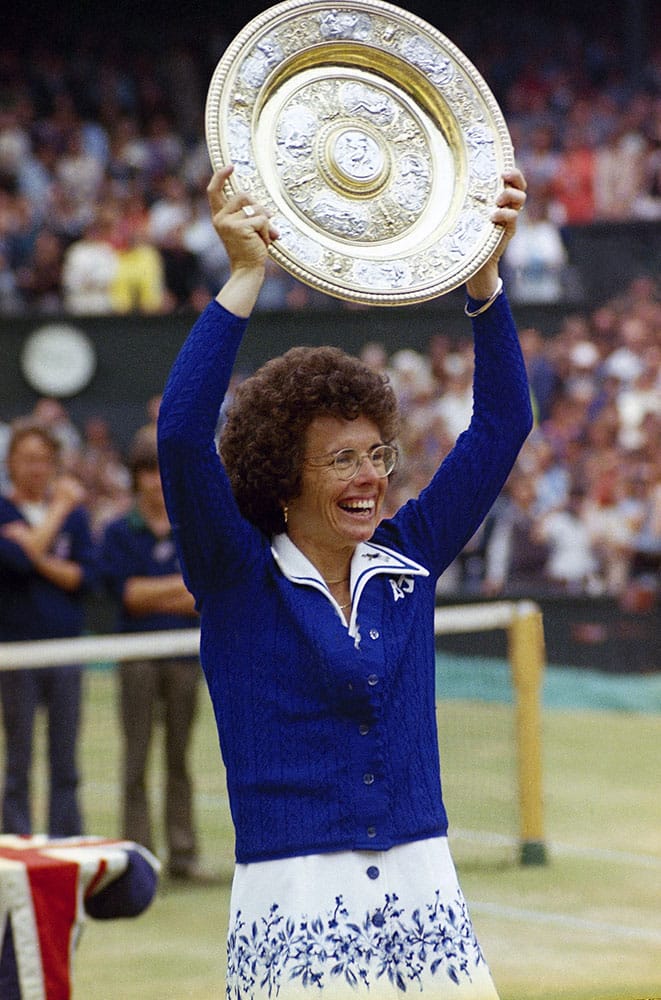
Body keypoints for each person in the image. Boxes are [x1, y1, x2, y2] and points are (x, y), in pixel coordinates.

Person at [157, 163, 530, 998]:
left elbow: (504, 423)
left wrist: (484, 286)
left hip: (424, 892)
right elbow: (182, 435)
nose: (369, 477)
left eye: (376, 454)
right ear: (282, 477)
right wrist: (245, 276)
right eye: (339, 460)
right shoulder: (235, 576)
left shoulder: (407, 559)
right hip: (295, 903)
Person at [99, 425, 208, 881]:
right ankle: (138, 859)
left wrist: (155, 592)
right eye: (147, 472)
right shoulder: (120, 531)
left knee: (180, 758)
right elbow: (126, 595)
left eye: (162, 472)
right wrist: (175, 590)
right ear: (135, 477)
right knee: (136, 757)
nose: (155, 482)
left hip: (185, 656)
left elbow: (203, 591)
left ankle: (183, 856)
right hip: (137, 658)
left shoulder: (194, 524)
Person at [0, 421, 96, 835]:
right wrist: (56, 512)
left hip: (66, 650)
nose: (35, 469)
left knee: (65, 759)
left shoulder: (75, 518)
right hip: (18, 651)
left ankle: (66, 839)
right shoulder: (5, 509)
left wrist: (34, 548)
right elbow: (14, 564)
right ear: (10, 464)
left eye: (43, 460)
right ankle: (16, 843)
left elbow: (87, 578)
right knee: (18, 758)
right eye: (26, 460)